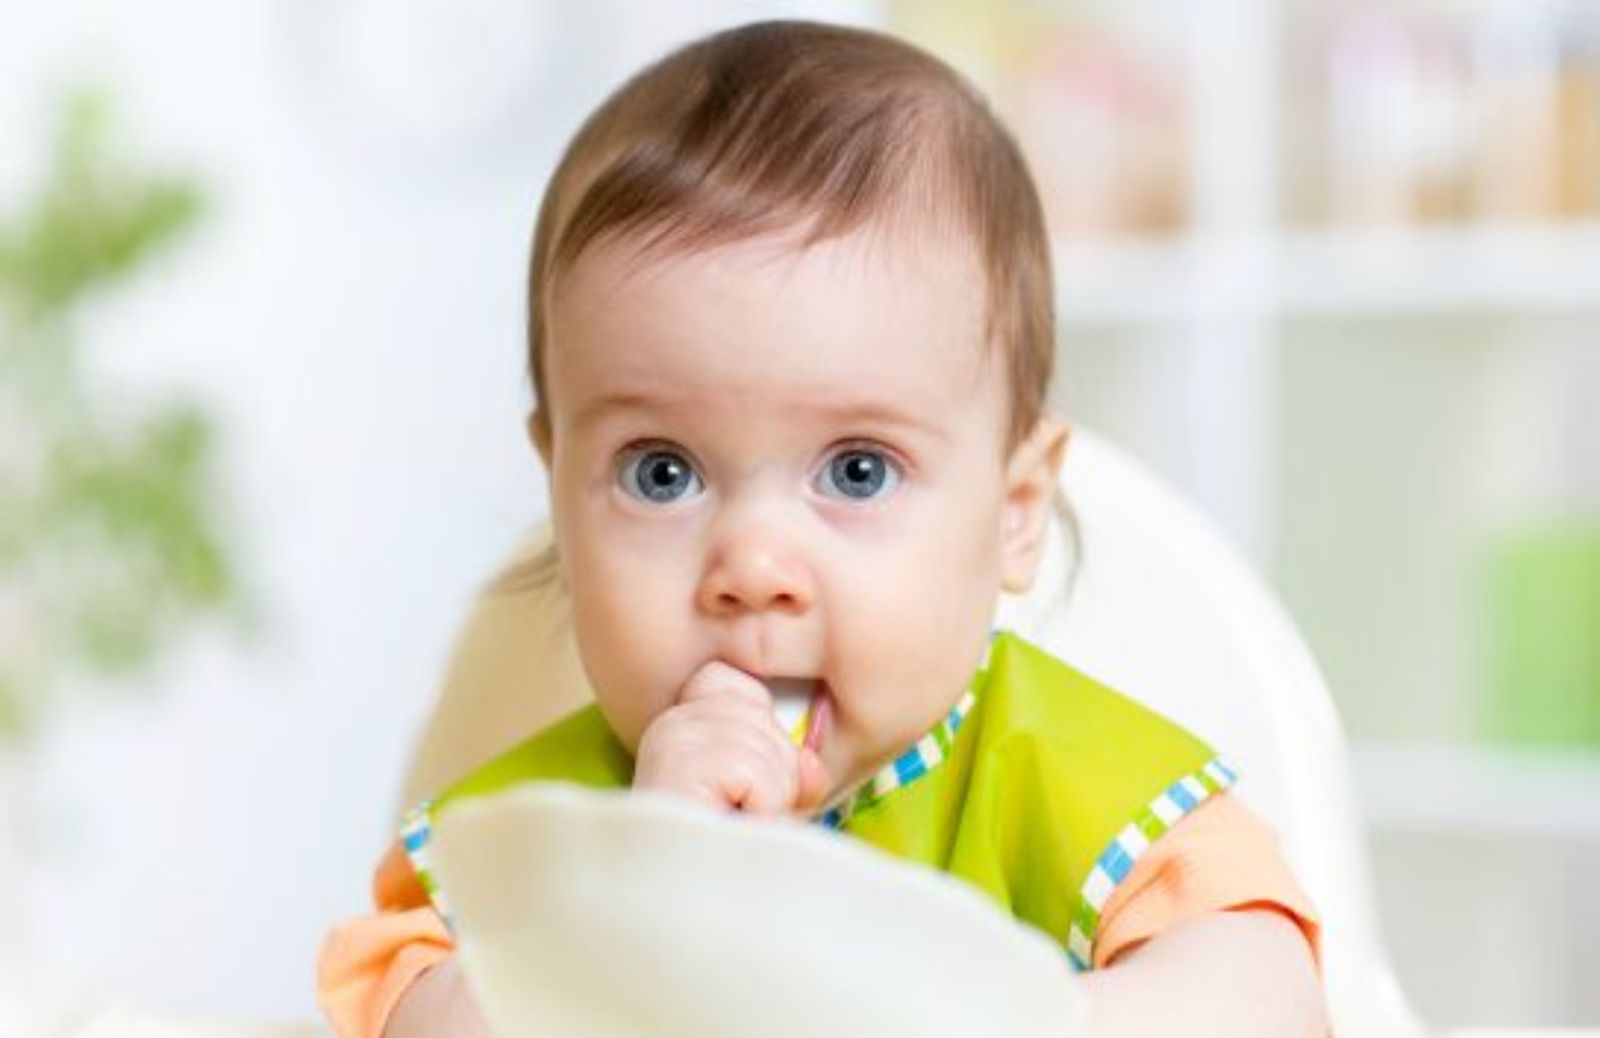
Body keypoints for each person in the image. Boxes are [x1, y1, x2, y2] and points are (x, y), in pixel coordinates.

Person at [318, 19, 1327, 1038]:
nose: (753, 569)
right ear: (561, 499)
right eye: (661, 474)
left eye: (856, 470)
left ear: (1014, 515)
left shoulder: (1054, 776)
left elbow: (1270, 999)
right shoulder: (534, 839)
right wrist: (639, 897)